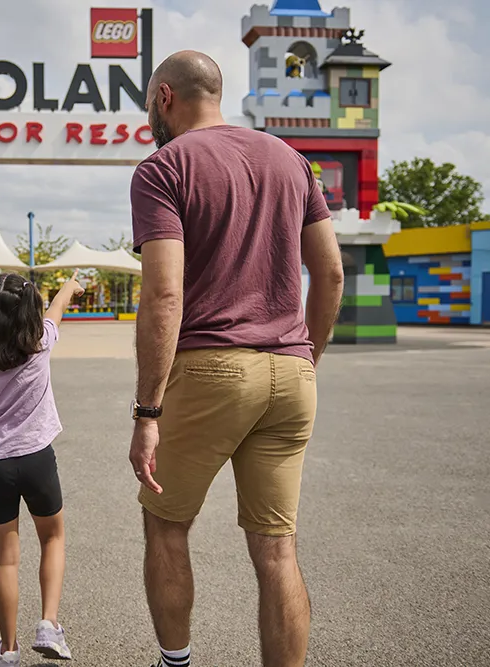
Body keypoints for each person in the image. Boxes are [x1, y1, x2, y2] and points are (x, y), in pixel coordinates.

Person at [127, 51, 345, 667]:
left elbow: (164, 294)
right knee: (277, 550)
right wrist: (308, 358)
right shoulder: (292, 161)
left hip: (210, 369)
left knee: (166, 526)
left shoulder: (164, 168)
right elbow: (329, 273)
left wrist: (148, 410)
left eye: (150, 102)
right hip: (290, 373)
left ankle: (177, 662)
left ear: (165, 96)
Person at [0, 271, 85, 667]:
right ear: (28, 310)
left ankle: (8, 649)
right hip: (39, 460)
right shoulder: (39, 343)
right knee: (53, 539)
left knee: (5, 560)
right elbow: (57, 310)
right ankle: (48, 623)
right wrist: (69, 288)